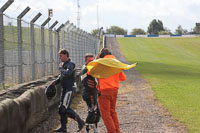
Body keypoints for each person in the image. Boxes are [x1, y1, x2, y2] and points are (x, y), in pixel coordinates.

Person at [52, 48, 84, 132]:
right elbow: (62, 76)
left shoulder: (71, 64)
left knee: (65, 108)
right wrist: (55, 82)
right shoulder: (64, 64)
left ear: (66, 55)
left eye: (61, 55)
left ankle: (80, 122)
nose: (60, 57)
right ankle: (63, 127)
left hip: (69, 89)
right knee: (61, 109)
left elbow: (67, 73)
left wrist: (61, 68)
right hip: (65, 89)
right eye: (59, 56)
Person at [96, 48, 126, 133]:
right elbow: (123, 78)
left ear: (102, 56)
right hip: (114, 91)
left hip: (104, 91)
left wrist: (97, 59)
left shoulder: (100, 63)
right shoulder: (116, 63)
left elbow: (90, 72)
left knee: (106, 115)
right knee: (112, 112)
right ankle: (117, 131)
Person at [80, 53, 100, 133]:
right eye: (89, 61)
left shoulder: (90, 67)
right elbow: (91, 70)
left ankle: (94, 127)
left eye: (92, 60)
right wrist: (97, 59)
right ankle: (87, 129)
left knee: (97, 111)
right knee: (92, 110)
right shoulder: (86, 68)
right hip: (89, 93)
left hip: (93, 92)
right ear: (85, 61)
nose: (91, 62)